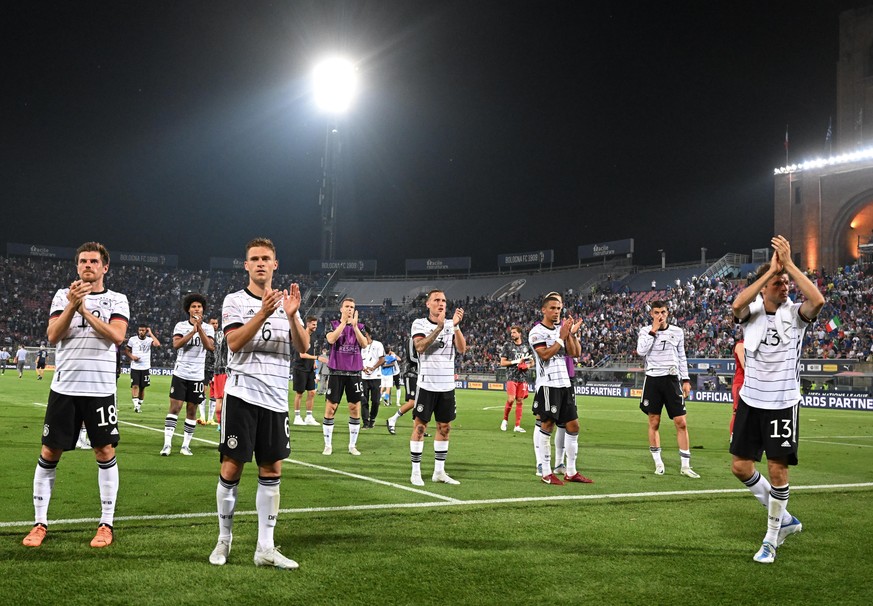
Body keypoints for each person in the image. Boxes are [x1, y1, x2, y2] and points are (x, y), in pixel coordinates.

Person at [209, 237, 309, 569]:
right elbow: (234, 343)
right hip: (243, 396)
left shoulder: (288, 303)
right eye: (255, 258)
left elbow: (303, 346)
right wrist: (263, 313)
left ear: (275, 265)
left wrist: (292, 317)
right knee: (231, 467)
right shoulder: (234, 301)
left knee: (272, 469)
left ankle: (265, 548)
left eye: (267, 258)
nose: (261, 263)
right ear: (247, 265)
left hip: (276, 399)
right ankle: (224, 540)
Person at [22, 241, 129, 549]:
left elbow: (117, 337)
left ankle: (106, 524)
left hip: (100, 389)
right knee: (49, 453)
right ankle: (40, 523)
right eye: (82, 261)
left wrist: (85, 310)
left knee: (104, 452)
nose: (87, 265)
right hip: (65, 387)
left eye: (94, 261)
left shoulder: (117, 299)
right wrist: (72, 305)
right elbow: (54, 335)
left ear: (104, 267)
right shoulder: (61, 296)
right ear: (77, 265)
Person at [730, 235, 823, 564]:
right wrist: (770, 271)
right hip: (751, 402)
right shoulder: (751, 315)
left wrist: (790, 267)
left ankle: (771, 538)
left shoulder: (796, 315)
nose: (785, 287)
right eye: (778, 283)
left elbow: (818, 300)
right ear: (765, 286)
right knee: (740, 467)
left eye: (786, 283)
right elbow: (737, 305)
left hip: (782, 403)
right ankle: (784, 518)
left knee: (778, 470)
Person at [529, 293, 592, 485]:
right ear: (544, 310)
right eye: (553, 308)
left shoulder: (561, 329)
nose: (556, 312)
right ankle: (546, 472)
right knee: (547, 425)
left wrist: (570, 334)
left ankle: (570, 471)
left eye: (559, 309)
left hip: (565, 384)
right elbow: (545, 355)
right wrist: (560, 338)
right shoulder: (536, 332)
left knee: (574, 426)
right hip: (548, 384)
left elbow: (575, 353)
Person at [408, 289, 466, 486]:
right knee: (420, 427)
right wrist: (440, 328)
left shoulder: (452, 324)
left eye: (443, 300)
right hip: (427, 384)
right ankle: (415, 472)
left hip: (447, 386)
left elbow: (462, 349)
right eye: (436, 300)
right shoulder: (419, 323)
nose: (441, 303)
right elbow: (420, 347)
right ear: (428, 304)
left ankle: (439, 472)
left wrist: (455, 327)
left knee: (445, 427)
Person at [636, 300, 699, 478]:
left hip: (672, 379)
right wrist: (653, 330)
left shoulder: (677, 332)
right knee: (654, 422)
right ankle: (658, 462)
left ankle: (685, 466)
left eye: (663, 312)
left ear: (668, 313)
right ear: (651, 314)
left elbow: (682, 356)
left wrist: (686, 379)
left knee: (681, 422)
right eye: (656, 313)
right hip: (653, 379)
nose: (660, 316)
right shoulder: (644, 331)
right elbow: (641, 351)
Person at [160, 293, 215, 456]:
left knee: (192, 411)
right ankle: (167, 444)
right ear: (188, 310)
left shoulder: (209, 327)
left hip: (197, 376)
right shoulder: (180, 326)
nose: (196, 309)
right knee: (175, 408)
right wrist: (193, 331)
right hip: (181, 373)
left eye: (199, 306)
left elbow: (209, 346)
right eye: (193, 306)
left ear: (203, 309)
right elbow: (176, 344)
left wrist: (200, 329)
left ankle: (185, 446)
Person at [322, 298, 368, 456]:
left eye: (352, 307)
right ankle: (328, 445)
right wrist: (344, 323)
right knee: (331, 408)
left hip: (354, 373)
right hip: (336, 372)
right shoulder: (333, 324)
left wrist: (354, 327)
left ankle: (352, 445)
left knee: (355, 409)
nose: (349, 309)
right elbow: (331, 339)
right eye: (347, 307)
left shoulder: (360, 327)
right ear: (341, 309)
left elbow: (364, 344)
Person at [499, 326, 532, 433]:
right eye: (511, 332)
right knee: (511, 399)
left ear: (520, 334)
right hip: (511, 376)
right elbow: (503, 362)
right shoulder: (507, 345)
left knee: (520, 401)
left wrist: (527, 366)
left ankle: (517, 426)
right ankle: (505, 420)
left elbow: (532, 361)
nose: (512, 334)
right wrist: (516, 361)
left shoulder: (526, 347)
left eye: (514, 332)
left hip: (522, 378)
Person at [386, 335, 419, 435]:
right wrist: (427, 362)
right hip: (411, 374)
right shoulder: (411, 340)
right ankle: (392, 419)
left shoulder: (425, 339)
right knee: (413, 402)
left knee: (419, 402)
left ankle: (418, 427)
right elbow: (411, 357)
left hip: (420, 375)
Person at [292, 316, 321, 427]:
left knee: (312, 392)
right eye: (313, 324)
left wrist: (313, 363)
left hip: (309, 368)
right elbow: (302, 354)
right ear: (308, 324)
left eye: (316, 324)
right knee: (299, 393)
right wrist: (317, 358)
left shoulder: (311, 337)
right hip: (300, 368)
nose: (315, 326)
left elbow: (311, 350)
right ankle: (297, 417)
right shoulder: (301, 336)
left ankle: (309, 417)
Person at [125, 324, 159, 413]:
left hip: (145, 367)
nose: (141, 332)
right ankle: (136, 406)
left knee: (143, 387)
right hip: (135, 367)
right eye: (140, 330)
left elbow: (157, 344)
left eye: (143, 330)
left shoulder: (149, 340)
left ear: (146, 331)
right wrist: (132, 357)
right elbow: (127, 350)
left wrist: (151, 333)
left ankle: (139, 405)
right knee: (135, 386)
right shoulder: (132, 339)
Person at [360, 329, 385, 429]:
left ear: (366, 334)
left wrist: (373, 368)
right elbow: (356, 359)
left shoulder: (378, 345)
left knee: (375, 401)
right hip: (363, 377)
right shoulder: (359, 346)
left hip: (376, 376)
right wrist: (362, 368)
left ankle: (372, 418)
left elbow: (382, 359)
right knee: (363, 400)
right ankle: (365, 422)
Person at [199, 318, 220, 425]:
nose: (215, 325)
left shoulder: (221, 336)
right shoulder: (205, 334)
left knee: (214, 394)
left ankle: (210, 418)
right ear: (208, 324)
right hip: (205, 367)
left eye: (216, 323)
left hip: (216, 367)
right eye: (213, 323)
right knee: (203, 391)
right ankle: (202, 416)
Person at [211, 319, 229, 430]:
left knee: (218, 398)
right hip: (226, 369)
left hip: (217, 370)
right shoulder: (228, 334)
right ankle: (224, 422)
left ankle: (219, 422)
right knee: (227, 400)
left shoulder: (215, 335)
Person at [730, 334, 745, 437]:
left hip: (751, 382)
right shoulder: (740, 345)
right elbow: (745, 365)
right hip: (741, 383)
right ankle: (734, 436)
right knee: (737, 412)